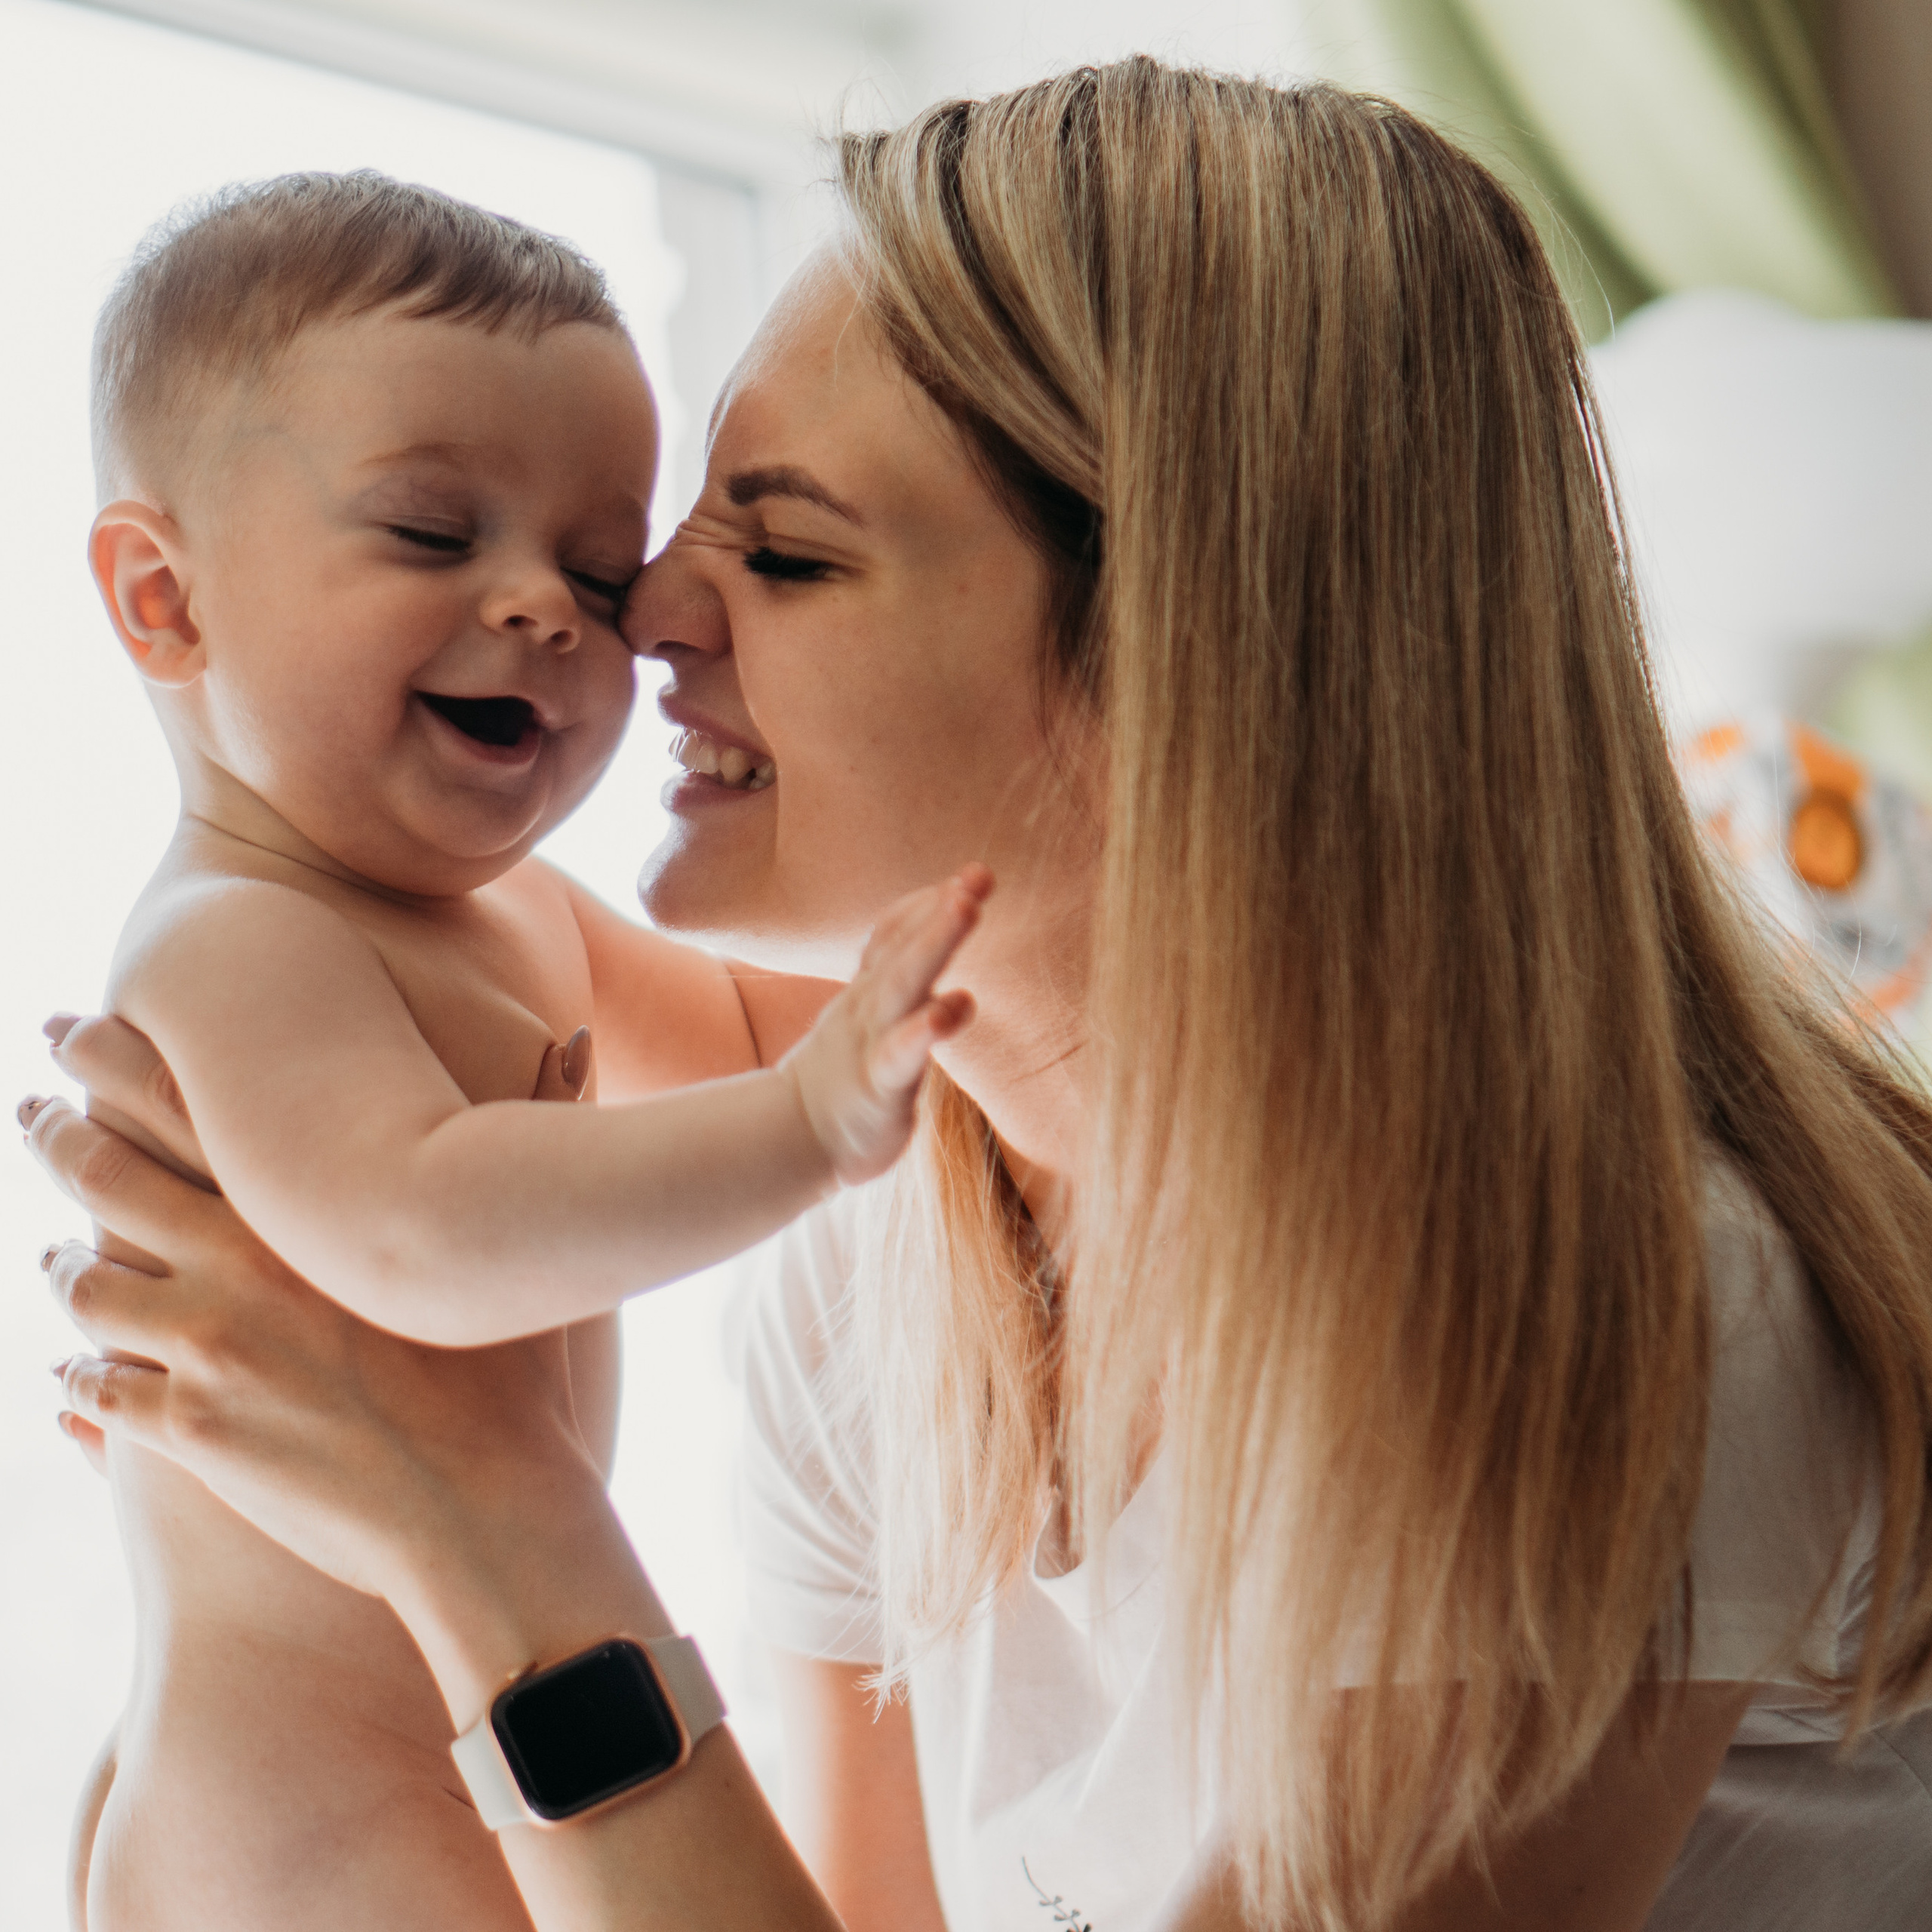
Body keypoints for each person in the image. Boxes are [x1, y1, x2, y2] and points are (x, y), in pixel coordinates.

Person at [24, 60, 1932, 1932]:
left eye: (777, 549)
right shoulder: (886, 1277)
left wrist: (496, 1529)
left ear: (1180, 655)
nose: (644, 616)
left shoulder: (1635, 1302)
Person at [61, 171, 987, 1932]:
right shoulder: (240, 939)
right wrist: (810, 1118)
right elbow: (425, 1231)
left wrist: (928, 989)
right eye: (432, 534)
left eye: (593, 561)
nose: (554, 613)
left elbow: (732, 1029)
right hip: (286, 1837)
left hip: (469, 1769)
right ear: (164, 597)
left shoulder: (515, 911)